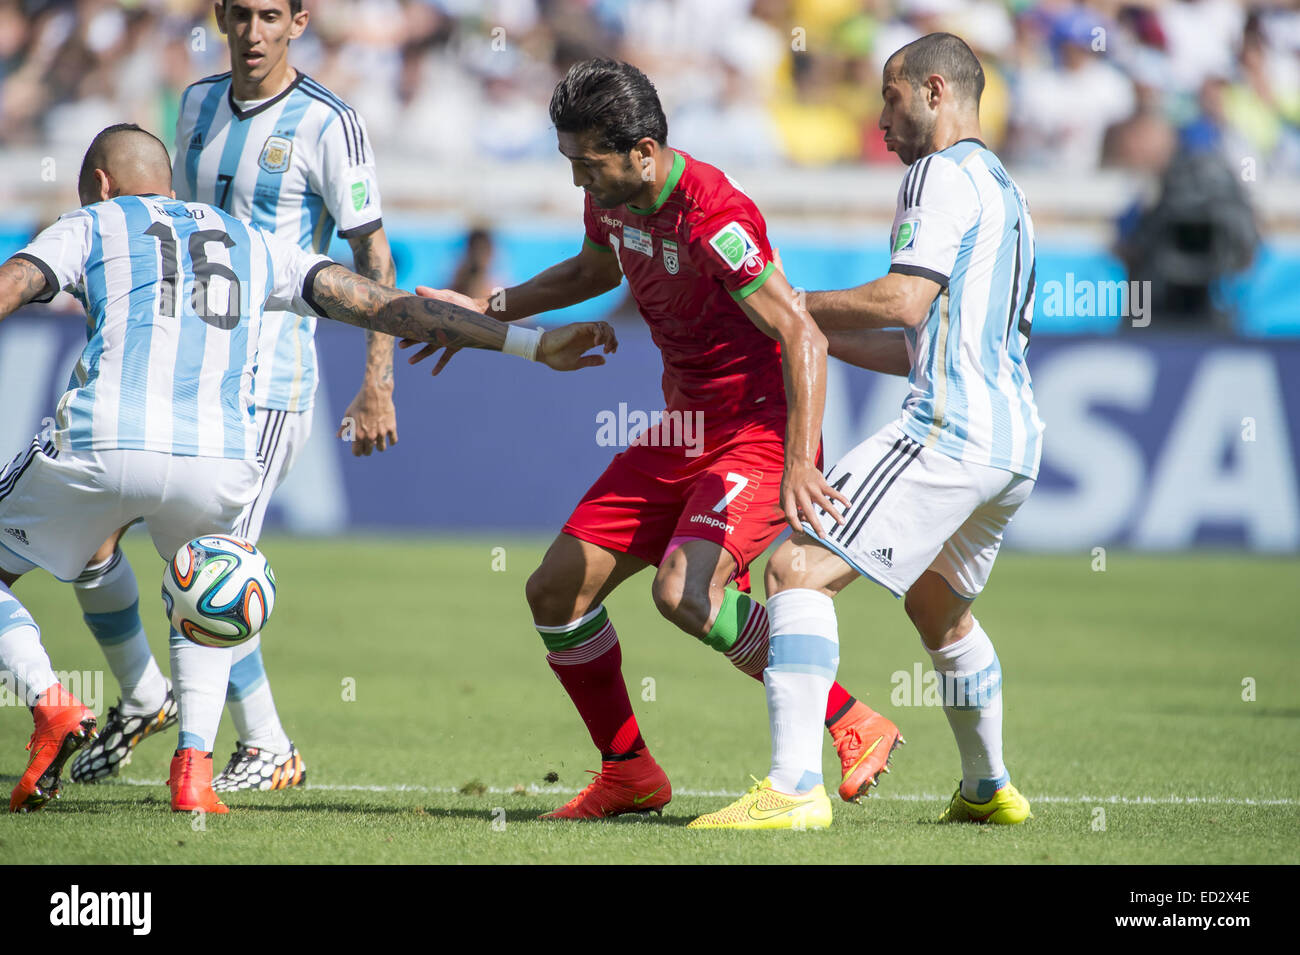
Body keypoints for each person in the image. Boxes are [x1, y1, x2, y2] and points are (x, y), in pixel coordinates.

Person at [0, 124, 615, 814]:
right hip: (221, 457)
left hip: (104, 437)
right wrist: (532, 344)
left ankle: (52, 703)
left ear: (102, 185)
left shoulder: (91, 221)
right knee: (204, 588)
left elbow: (16, 284)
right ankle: (193, 774)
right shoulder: (250, 240)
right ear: (170, 185)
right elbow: (389, 306)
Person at [410, 58, 903, 819]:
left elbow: (799, 329)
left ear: (642, 151)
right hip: (683, 428)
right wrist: (485, 310)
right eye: (570, 163)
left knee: (686, 591)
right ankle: (628, 770)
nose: (579, 181)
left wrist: (800, 457)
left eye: (588, 164)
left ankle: (847, 716)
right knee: (553, 589)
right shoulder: (612, 199)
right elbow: (589, 270)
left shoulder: (714, 213)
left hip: (758, 432)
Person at [690, 33, 1044, 830]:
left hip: (950, 430)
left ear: (934, 92)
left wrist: (789, 300)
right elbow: (911, 341)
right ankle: (990, 788)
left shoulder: (938, 173)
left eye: (889, 95)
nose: (877, 115)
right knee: (938, 608)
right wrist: (797, 332)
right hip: (1014, 444)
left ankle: (791, 788)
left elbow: (902, 303)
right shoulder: (1007, 191)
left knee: (794, 566)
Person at [69, 0, 401, 793]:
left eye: (270, 17)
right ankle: (191, 712)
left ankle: (239, 747)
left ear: (299, 21)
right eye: (240, 15)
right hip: (192, 367)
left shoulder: (331, 123)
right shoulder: (195, 103)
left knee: (209, 569)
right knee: (114, 532)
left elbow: (374, 258)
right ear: (219, 16)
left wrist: (377, 382)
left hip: (274, 378)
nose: (253, 33)